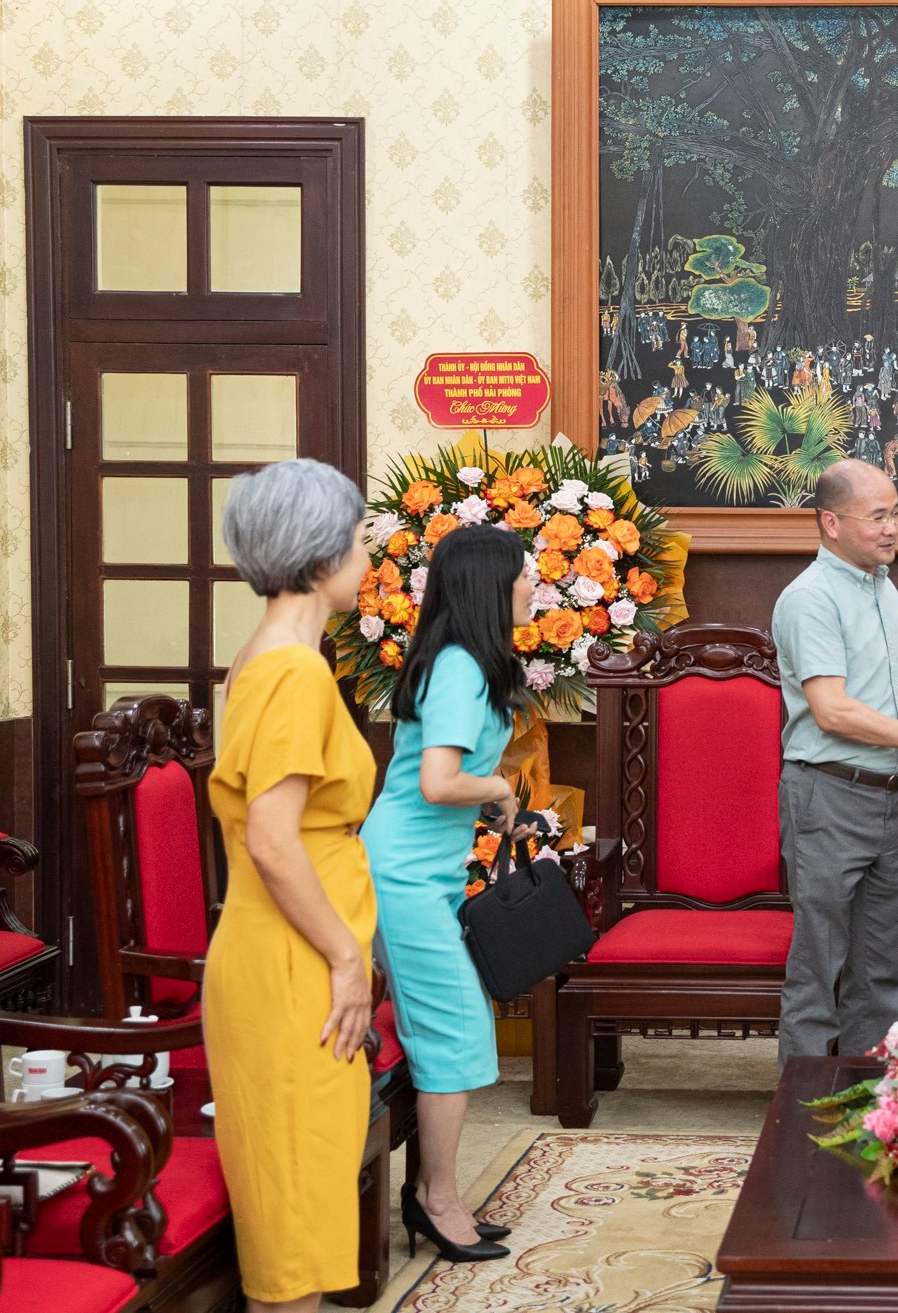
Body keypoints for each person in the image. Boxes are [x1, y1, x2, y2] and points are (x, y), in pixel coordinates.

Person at [207, 459, 378, 1311]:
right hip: (292, 961)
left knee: (304, 1203)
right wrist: (348, 961)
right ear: (320, 557)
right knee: (294, 1236)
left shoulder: (276, 658)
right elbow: (275, 843)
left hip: (292, 948)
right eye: (357, 540)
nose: (367, 555)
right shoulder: (292, 671)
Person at [361, 524, 537, 1265]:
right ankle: (436, 1200)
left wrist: (492, 798)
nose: (535, 588)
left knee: (456, 1033)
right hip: (402, 877)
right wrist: (497, 786)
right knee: (457, 1034)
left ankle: (434, 1191)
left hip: (419, 872)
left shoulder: (462, 662)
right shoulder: (462, 666)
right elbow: (438, 782)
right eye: (525, 577)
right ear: (489, 589)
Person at [771, 459, 898, 1065]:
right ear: (830, 522)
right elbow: (832, 710)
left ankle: (867, 1109)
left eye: (897, 513)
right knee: (817, 971)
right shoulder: (809, 598)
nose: (893, 528)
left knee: (882, 970)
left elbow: (892, 689)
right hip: (827, 798)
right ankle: (800, 1120)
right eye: (878, 516)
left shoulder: (884, 587)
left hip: (889, 801)